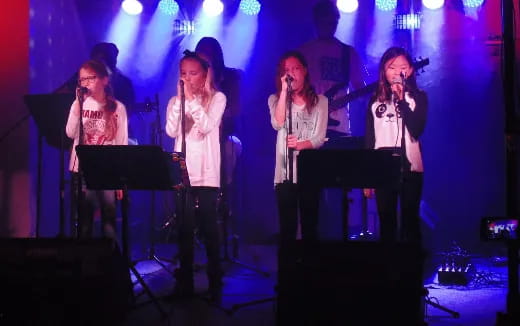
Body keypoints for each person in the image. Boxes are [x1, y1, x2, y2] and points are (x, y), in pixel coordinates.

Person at [165, 50, 226, 299]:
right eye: (183, 74)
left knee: (209, 227)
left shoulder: (218, 98)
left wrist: (191, 102)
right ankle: (186, 281)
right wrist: (181, 102)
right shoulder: (175, 101)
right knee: (185, 228)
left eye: (193, 73)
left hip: (207, 171)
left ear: (204, 74)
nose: (187, 79)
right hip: (183, 170)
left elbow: (207, 125)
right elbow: (170, 131)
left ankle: (214, 280)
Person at [363, 46, 428, 244]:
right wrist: (368, 177)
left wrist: (401, 100)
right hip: (383, 169)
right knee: (387, 222)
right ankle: (389, 269)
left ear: (410, 71)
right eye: (392, 67)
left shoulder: (418, 97)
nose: (397, 71)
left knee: (410, 222)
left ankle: (412, 269)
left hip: (410, 169)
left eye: (403, 67)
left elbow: (416, 129)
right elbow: (370, 140)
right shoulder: (375, 101)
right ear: (384, 70)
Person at [268, 51, 328, 245]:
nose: (291, 73)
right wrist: (285, 92)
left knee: (310, 226)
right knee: (288, 227)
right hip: (285, 172)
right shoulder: (275, 100)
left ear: (304, 71)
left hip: (309, 170)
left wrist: (300, 145)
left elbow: (319, 138)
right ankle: (288, 271)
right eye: (287, 70)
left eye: (295, 69)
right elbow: (277, 124)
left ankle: (309, 270)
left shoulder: (321, 101)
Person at [65, 59, 128, 240]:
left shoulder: (117, 108)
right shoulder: (79, 104)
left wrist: (120, 178)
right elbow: (70, 133)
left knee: (109, 218)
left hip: (107, 170)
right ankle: (84, 264)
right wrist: (77, 107)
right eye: (82, 79)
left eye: (90, 78)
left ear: (104, 80)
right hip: (83, 169)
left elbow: (121, 143)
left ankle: (108, 261)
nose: (85, 83)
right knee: (84, 220)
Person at [299, 0, 367, 139]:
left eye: (333, 22)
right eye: (325, 22)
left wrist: (372, 95)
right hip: (309, 126)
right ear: (316, 22)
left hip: (339, 127)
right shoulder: (303, 52)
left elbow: (359, 87)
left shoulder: (348, 53)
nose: (330, 26)